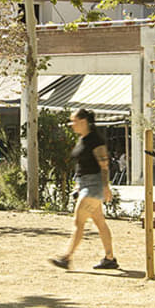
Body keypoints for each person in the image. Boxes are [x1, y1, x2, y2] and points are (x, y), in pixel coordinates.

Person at [50, 107, 119, 271]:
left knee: (78, 222)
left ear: (83, 121)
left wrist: (105, 186)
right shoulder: (83, 138)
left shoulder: (95, 139)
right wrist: (78, 186)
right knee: (100, 222)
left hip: (94, 186)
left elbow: (104, 164)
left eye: (73, 121)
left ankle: (67, 257)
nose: (71, 124)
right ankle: (110, 258)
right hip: (85, 185)